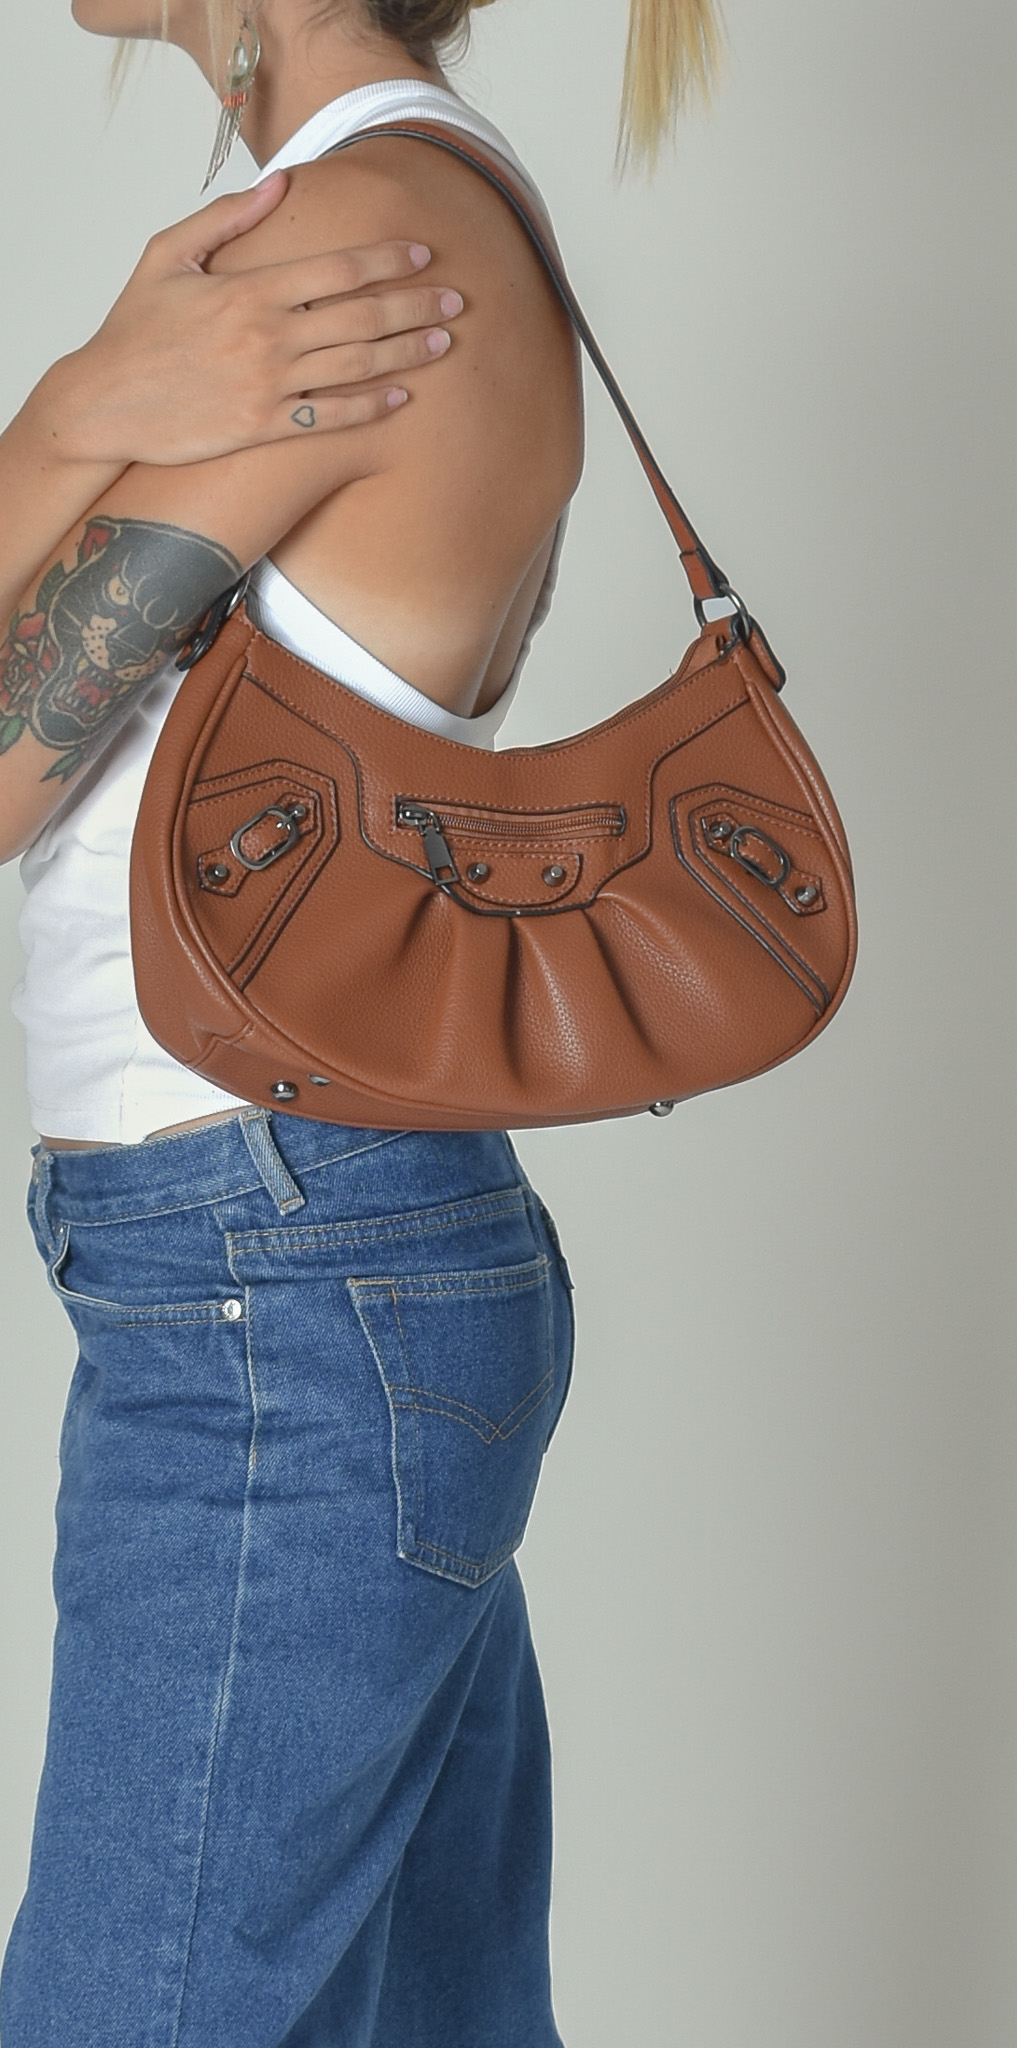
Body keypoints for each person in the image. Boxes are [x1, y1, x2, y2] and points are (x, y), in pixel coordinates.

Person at [0, 2, 718, 2041]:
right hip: (323, 1246)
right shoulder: (388, 203)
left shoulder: (352, 242)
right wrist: (80, 405)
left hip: (276, 1282)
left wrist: (64, 412)